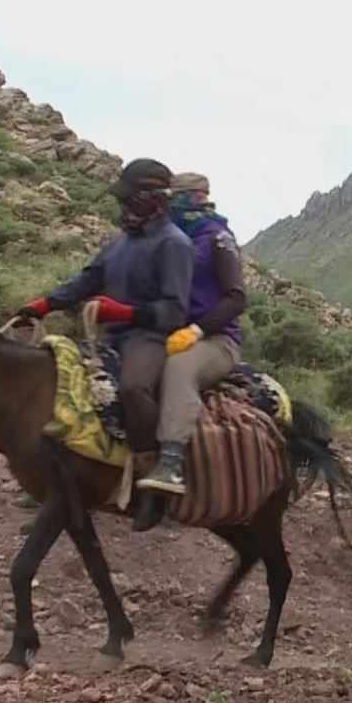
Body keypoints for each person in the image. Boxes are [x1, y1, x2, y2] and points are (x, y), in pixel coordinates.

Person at [15, 158, 194, 530]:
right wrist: (41, 306)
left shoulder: (175, 244)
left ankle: (152, 487)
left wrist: (123, 312)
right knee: (62, 382)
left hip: (149, 339)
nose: (123, 207)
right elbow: (86, 281)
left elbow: (174, 312)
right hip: (114, 337)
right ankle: (63, 481)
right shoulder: (118, 244)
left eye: (130, 199)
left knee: (132, 388)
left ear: (151, 198)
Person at [131, 172, 247, 527]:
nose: (174, 205)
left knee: (179, 369)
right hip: (169, 332)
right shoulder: (169, 239)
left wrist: (198, 330)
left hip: (215, 340)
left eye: (180, 197)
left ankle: (170, 461)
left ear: (198, 197)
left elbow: (237, 297)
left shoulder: (218, 238)